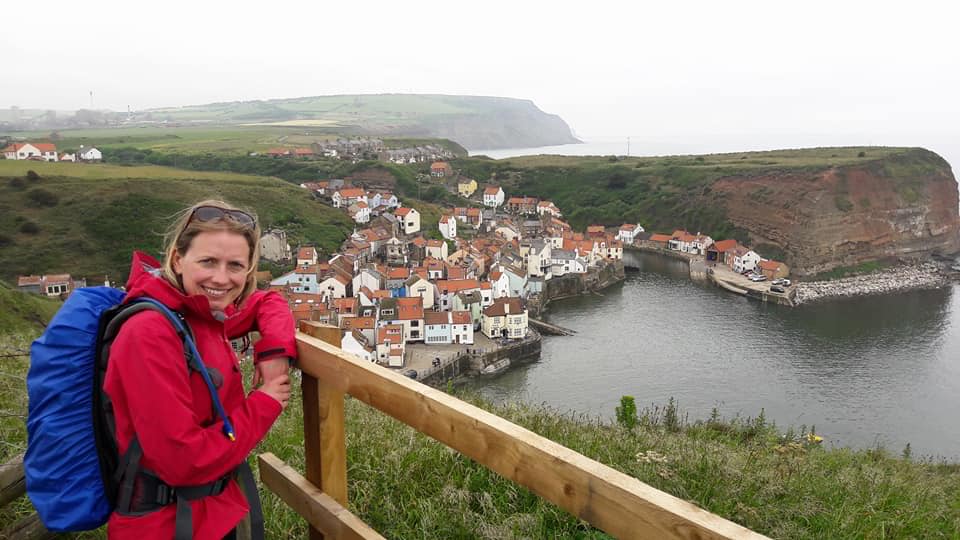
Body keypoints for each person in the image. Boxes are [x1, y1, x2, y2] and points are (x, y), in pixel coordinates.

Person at [103, 200, 296, 539]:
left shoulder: (198, 313)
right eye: (208, 261)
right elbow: (183, 461)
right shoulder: (150, 333)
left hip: (209, 514)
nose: (221, 279)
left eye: (235, 265)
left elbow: (268, 301)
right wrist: (264, 403)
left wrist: (275, 351)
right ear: (178, 259)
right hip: (167, 524)